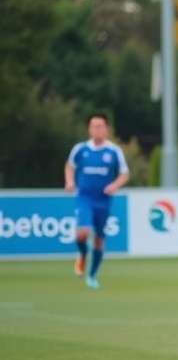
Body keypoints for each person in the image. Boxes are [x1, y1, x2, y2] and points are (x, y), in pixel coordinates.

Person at [64, 113, 129, 289]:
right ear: (89, 129)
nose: (97, 129)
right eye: (94, 126)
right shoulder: (80, 149)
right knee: (82, 233)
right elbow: (69, 166)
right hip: (84, 197)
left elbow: (124, 173)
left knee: (99, 239)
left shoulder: (113, 151)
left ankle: (92, 276)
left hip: (103, 200)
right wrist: (70, 181)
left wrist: (115, 185)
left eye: (100, 126)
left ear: (106, 129)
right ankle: (83, 255)